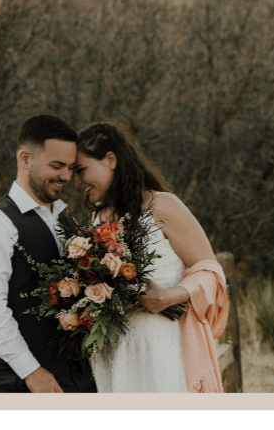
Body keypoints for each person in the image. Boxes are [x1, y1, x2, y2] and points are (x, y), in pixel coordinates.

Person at [72, 121, 230, 393]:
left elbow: (210, 271)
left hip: (161, 346)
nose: (76, 182)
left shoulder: (163, 205)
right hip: (114, 351)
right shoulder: (98, 217)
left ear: (110, 160)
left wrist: (172, 296)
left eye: (81, 170)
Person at [0, 114, 97, 393]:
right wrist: (32, 372)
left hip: (76, 376)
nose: (65, 175)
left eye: (70, 167)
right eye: (57, 165)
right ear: (25, 159)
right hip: (21, 381)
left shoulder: (66, 219)